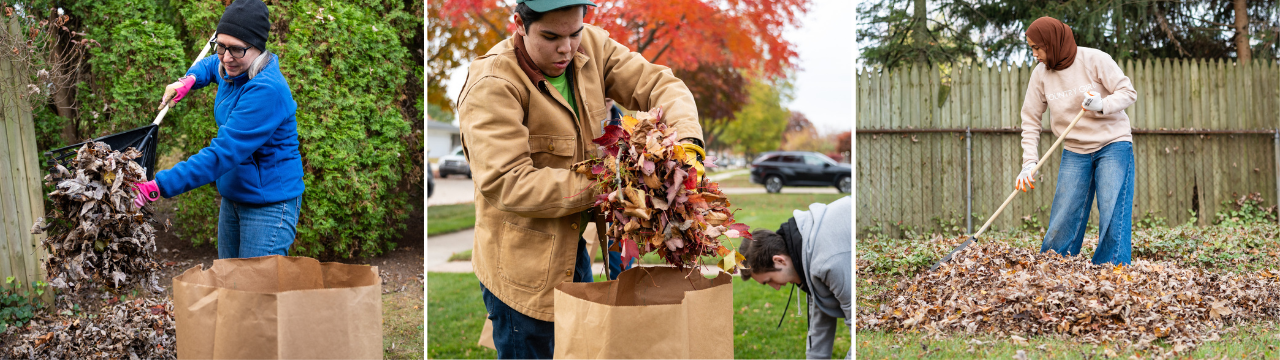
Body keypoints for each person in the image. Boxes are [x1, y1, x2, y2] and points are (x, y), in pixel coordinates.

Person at [455, 0, 704, 358]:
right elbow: (509, 182)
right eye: (552, 36)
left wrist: (687, 143)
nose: (567, 48)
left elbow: (659, 84)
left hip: (572, 250)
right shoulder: (492, 84)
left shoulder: (593, 45)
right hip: (521, 271)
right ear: (520, 25)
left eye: (575, 32)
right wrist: (614, 184)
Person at [134, 0, 303, 259]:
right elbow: (211, 65)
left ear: (258, 47)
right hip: (234, 196)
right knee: (231, 286)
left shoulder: (267, 90)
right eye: (221, 45)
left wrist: (157, 186)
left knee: (257, 294)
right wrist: (189, 80)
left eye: (235, 49)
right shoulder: (231, 67)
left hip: (269, 205)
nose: (226, 57)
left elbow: (221, 154)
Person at [1015, 16, 1137, 266]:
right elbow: (1030, 119)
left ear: (1052, 43)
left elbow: (1127, 92)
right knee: (1064, 216)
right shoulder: (1041, 75)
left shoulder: (1094, 59)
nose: (1035, 54)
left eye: (1038, 47)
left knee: (1112, 213)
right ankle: (1053, 267)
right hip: (1075, 150)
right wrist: (1029, 163)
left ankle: (1111, 270)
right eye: (1032, 49)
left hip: (1112, 144)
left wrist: (1102, 104)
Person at [739, 196, 851, 359]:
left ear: (779, 260)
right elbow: (819, 326)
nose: (776, 287)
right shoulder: (805, 254)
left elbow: (860, 330)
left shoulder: (828, 261)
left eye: (769, 280)